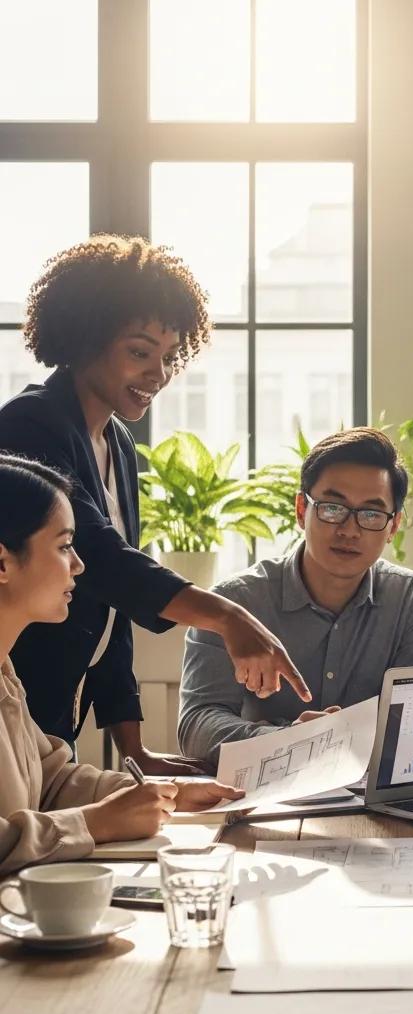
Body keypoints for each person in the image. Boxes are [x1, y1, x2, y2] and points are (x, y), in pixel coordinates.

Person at [0, 236, 311, 776]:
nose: (159, 375)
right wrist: (227, 616)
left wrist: (134, 750)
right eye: (140, 352)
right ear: (83, 337)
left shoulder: (118, 444)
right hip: (17, 695)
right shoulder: (30, 425)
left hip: (55, 719)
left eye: (168, 357)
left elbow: (111, 611)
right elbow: (102, 558)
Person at [0, 454, 241, 874]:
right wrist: (94, 823)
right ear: (3, 563)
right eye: (63, 546)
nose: (79, 564)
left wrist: (169, 792)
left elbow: (51, 781)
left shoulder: (5, 672)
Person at [178, 428, 413, 765]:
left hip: (368, 797)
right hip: (265, 796)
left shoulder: (409, 599)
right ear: (302, 509)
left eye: (372, 514)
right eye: (333, 508)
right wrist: (292, 739)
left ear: (393, 527)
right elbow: (197, 727)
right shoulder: (235, 602)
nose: (349, 529)